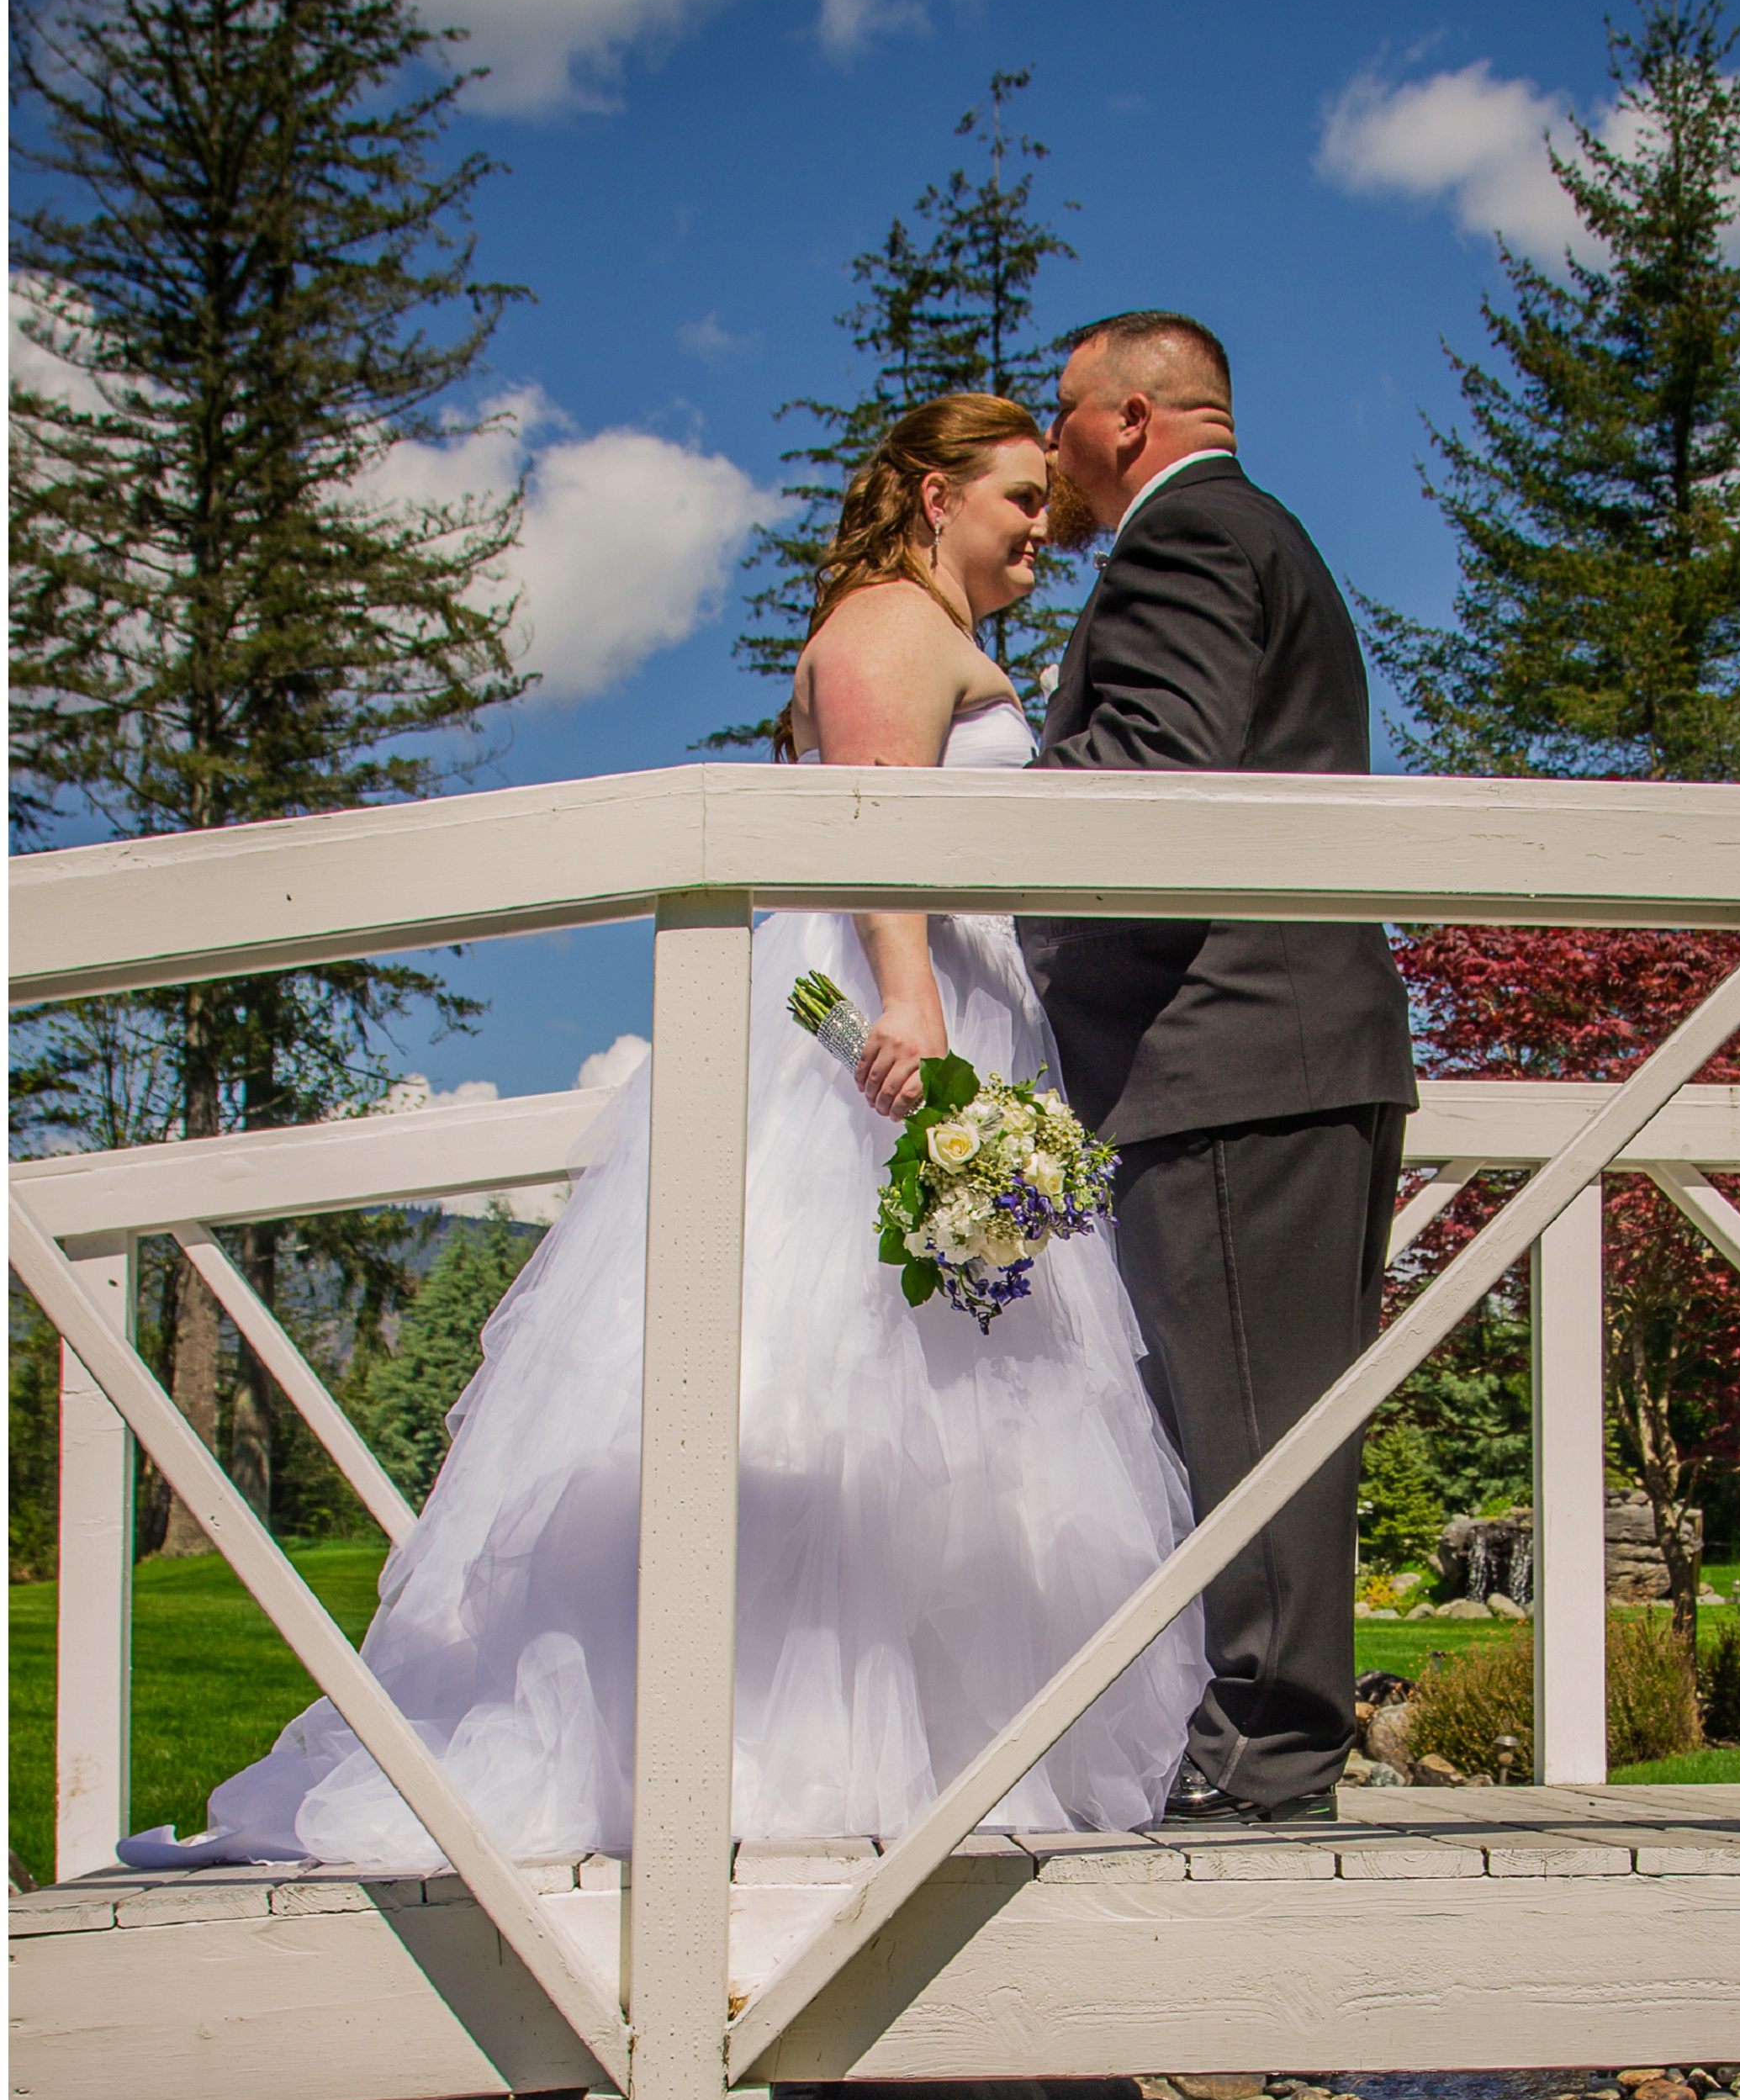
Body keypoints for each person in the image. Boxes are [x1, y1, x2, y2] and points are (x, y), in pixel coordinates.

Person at [155, 397, 1203, 1870]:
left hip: (929, 1002)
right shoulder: (888, 627)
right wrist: (911, 1004)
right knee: (825, 1385)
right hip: (881, 1016)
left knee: (930, 1406)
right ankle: (773, 1764)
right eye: (1019, 497)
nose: (1045, 525)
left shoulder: (917, 625)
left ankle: (913, 1760)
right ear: (928, 495)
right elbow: (870, 824)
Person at [1022, 311, 1415, 1827]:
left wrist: (978, 799)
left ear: (1128, 416)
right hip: (1279, 1046)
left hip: (1239, 1054)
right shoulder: (1265, 538)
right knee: (1266, 1429)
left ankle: (1261, 1774)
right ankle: (1258, 1757)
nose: (1052, 450)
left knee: (1254, 1438)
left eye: (1062, 416)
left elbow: (1152, 778)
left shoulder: (1186, 543)